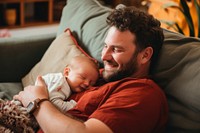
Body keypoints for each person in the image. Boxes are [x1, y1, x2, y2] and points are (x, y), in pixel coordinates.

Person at [14, 6, 168, 133]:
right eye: (105, 46)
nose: (104, 56)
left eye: (116, 50)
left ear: (145, 55)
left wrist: (37, 102)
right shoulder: (100, 76)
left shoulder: (141, 93)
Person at [35, 55, 99, 113]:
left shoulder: (68, 85)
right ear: (67, 72)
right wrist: (73, 105)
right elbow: (53, 103)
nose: (87, 84)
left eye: (92, 83)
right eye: (83, 77)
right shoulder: (61, 83)